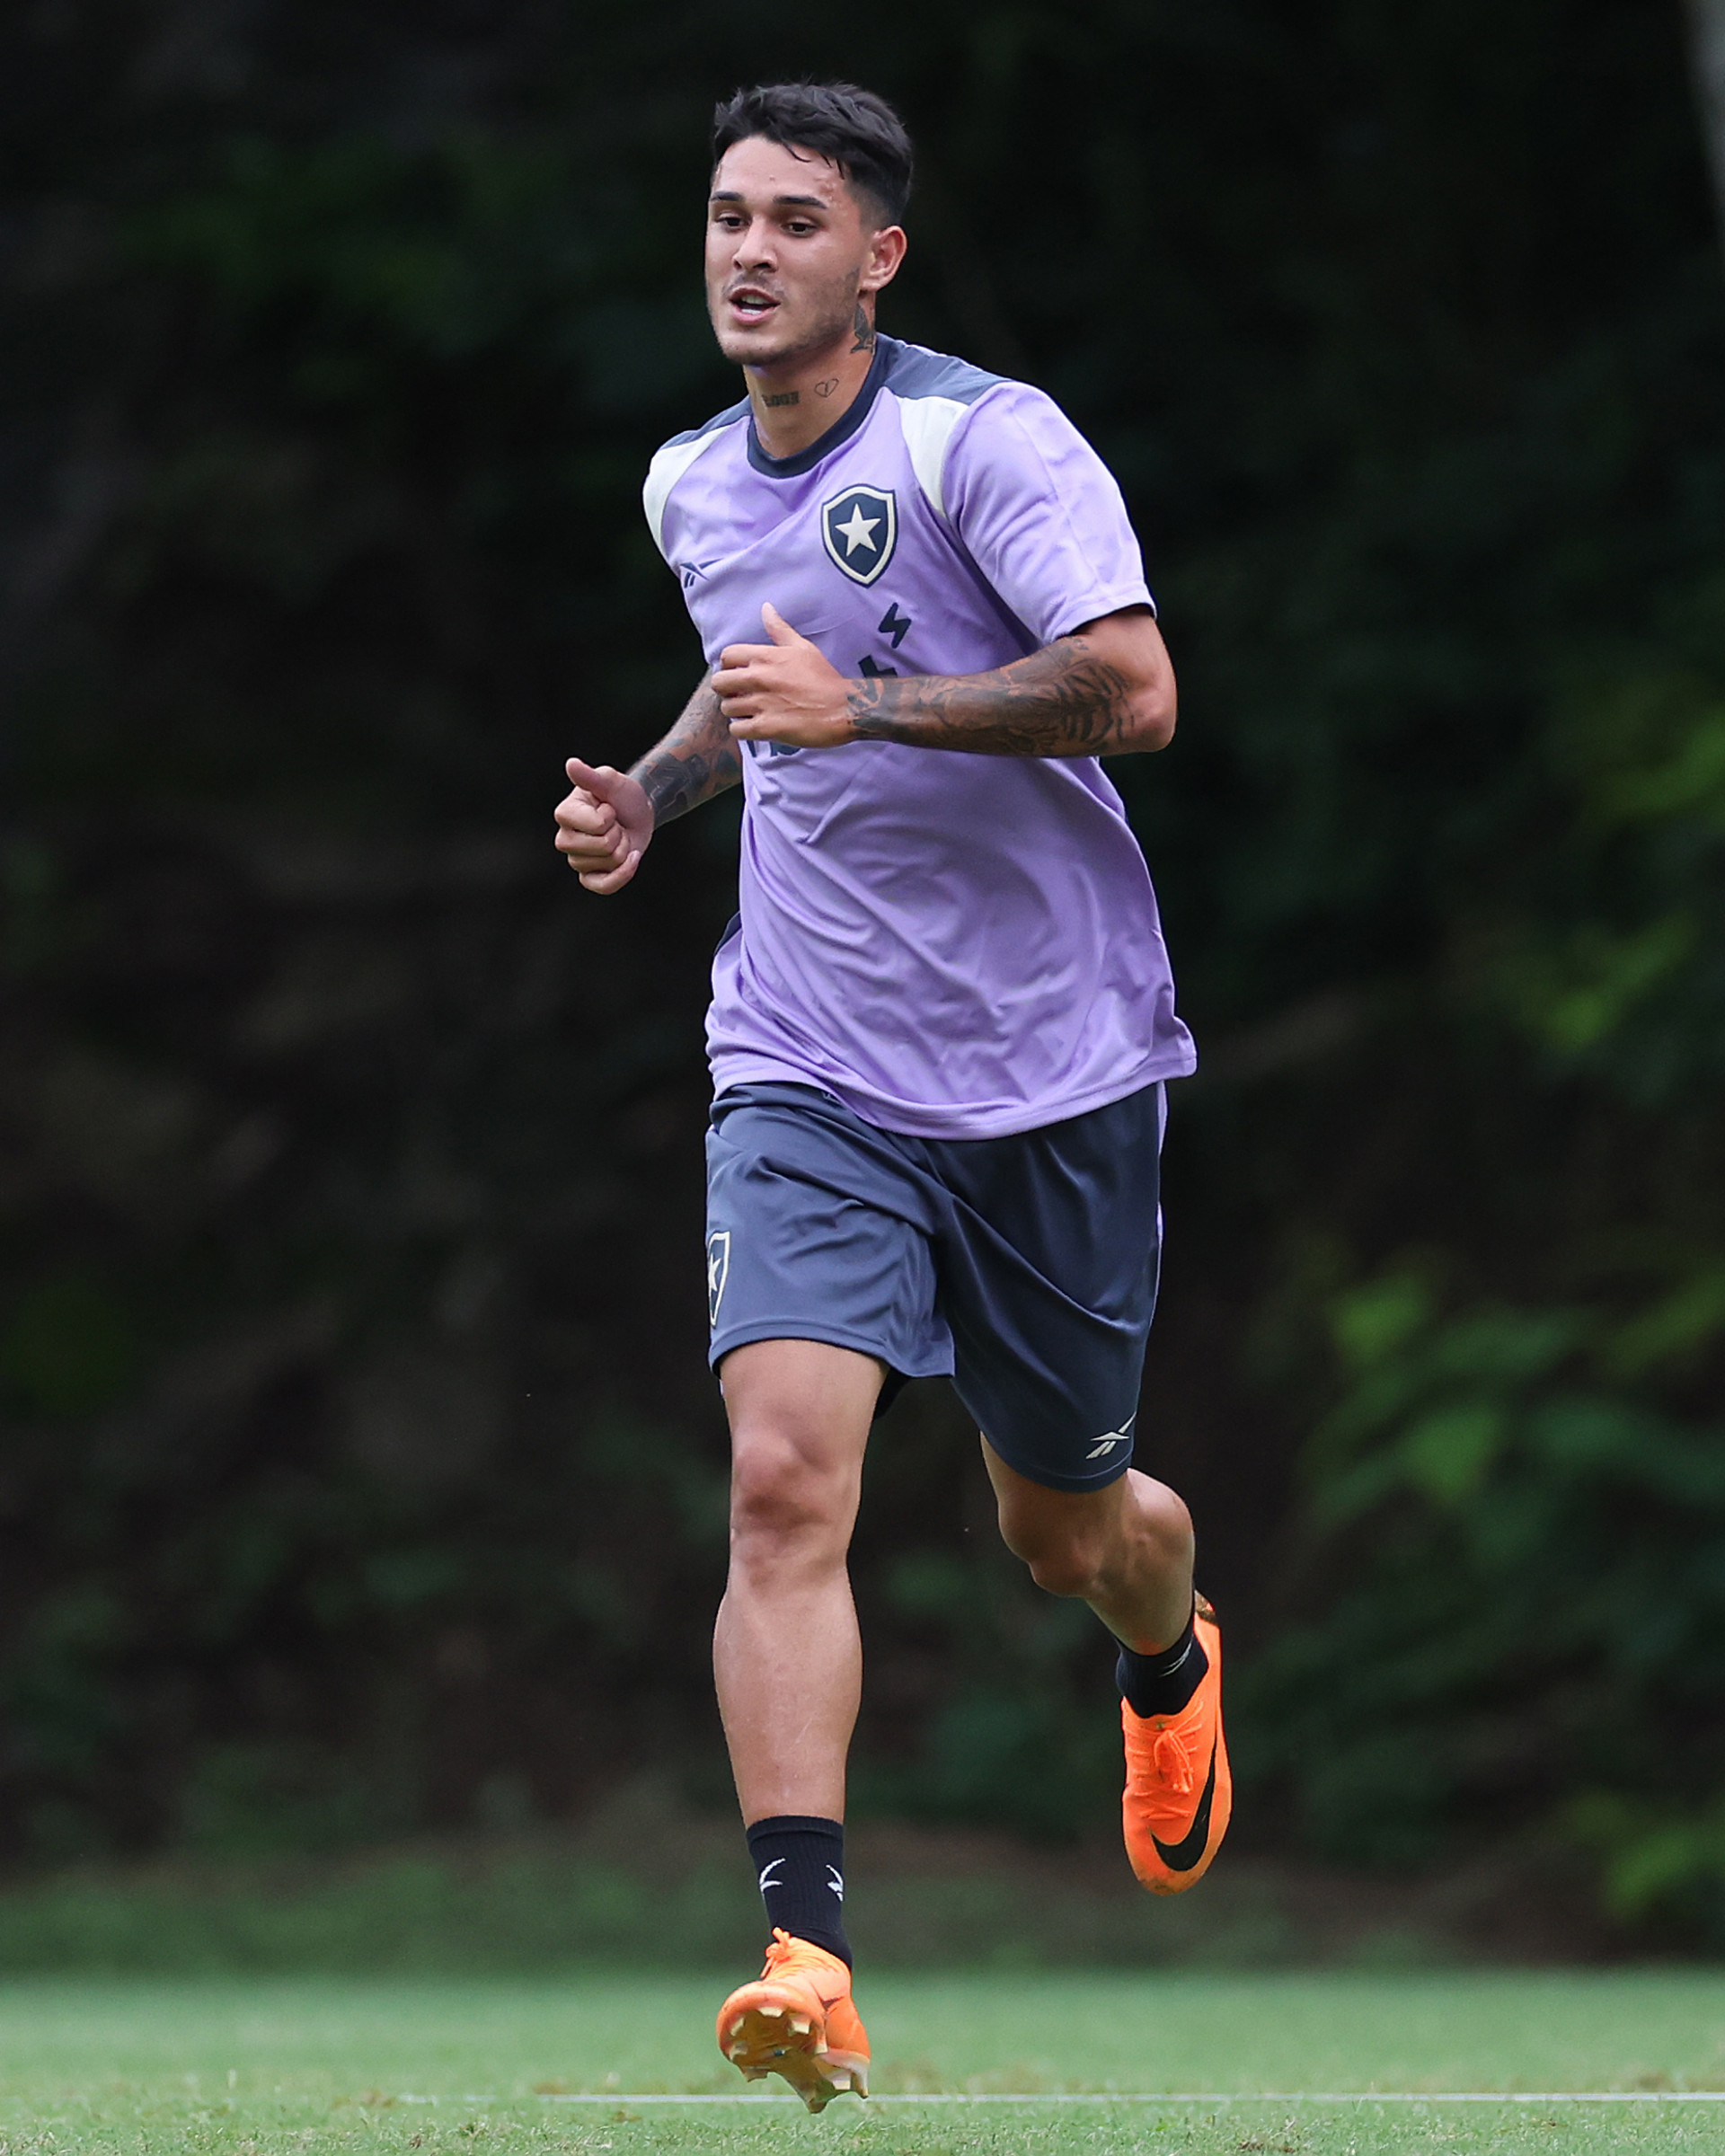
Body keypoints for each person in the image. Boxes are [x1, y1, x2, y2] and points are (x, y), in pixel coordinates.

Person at [553, 80, 1227, 2112]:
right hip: (808, 1052)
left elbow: (1134, 689)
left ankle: (1171, 1655)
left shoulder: (980, 440)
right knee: (780, 1476)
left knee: (1068, 1526)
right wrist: (657, 798)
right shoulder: (688, 479)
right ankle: (806, 1951)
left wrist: (875, 707)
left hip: (1054, 1066)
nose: (747, 250)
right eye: (726, 216)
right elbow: (750, 665)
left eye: (795, 221)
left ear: (879, 259)